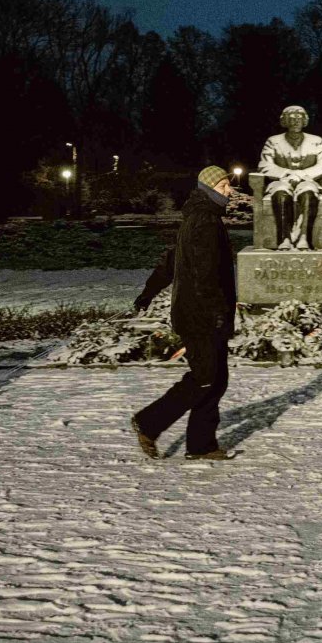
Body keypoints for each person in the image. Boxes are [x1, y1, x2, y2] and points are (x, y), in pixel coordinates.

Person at [129, 166, 238, 461]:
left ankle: (201, 445)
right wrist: (217, 311)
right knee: (205, 377)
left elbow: (171, 263)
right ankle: (149, 422)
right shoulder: (204, 221)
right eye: (224, 186)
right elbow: (206, 275)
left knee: (216, 379)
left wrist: (148, 293)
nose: (229, 191)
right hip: (200, 315)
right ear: (209, 189)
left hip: (201, 312)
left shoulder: (199, 217)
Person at [258, 105, 322, 249]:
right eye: (291, 118)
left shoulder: (316, 141)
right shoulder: (273, 141)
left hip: (308, 181)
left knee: (308, 192)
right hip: (281, 181)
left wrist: (302, 174)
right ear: (284, 121)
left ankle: (304, 237)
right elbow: (264, 165)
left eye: (299, 118)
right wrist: (287, 173)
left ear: (304, 121)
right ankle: (284, 239)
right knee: (281, 192)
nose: (295, 121)